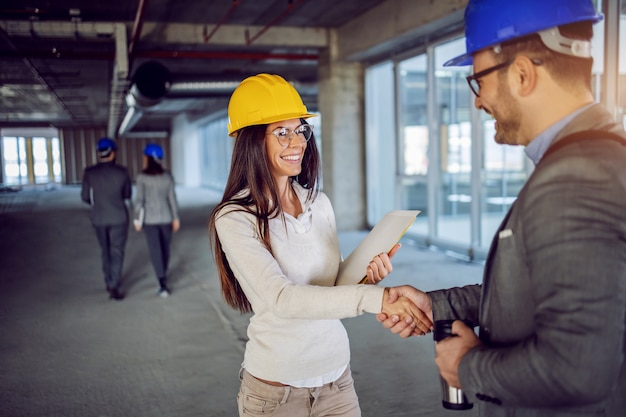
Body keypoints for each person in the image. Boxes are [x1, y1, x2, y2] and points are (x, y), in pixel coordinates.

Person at [378, 0, 626, 416]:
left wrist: (467, 366)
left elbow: (577, 369)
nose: (478, 102)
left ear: (523, 74)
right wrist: (436, 306)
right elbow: (542, 293)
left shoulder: (576, 177)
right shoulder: (595, 154)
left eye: (479, 82)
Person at [208, 73, 432, 417]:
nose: (297, 142)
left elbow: (332, 286)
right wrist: (379, 299)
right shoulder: (236, 218)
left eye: (300, 130)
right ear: (251, 141)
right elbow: (283, 298)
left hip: (337, 380)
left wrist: (365, 276)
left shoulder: (318, 203)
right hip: (275, 393)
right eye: (281, 132)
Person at [81, 137, 132, 301]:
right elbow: (127, 194)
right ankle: (114, 285)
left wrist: (98, 204)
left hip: (99, 218)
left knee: (105, 250)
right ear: (112, 152)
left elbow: (85, 197)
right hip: (118, 217)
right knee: (116, 251)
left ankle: (108, 280)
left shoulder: (89, 172)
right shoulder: (122, 172)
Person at [133, 143, 180, 298]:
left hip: (150, 220)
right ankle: (163, 276)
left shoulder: (142, 177)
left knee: (155, 250)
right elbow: (172, 198)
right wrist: (175, 217)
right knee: (165, 248)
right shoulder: (167, 176)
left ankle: (162, 281)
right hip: (166, 218)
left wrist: (137, 219)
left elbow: (139, 200)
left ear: (148, 158)